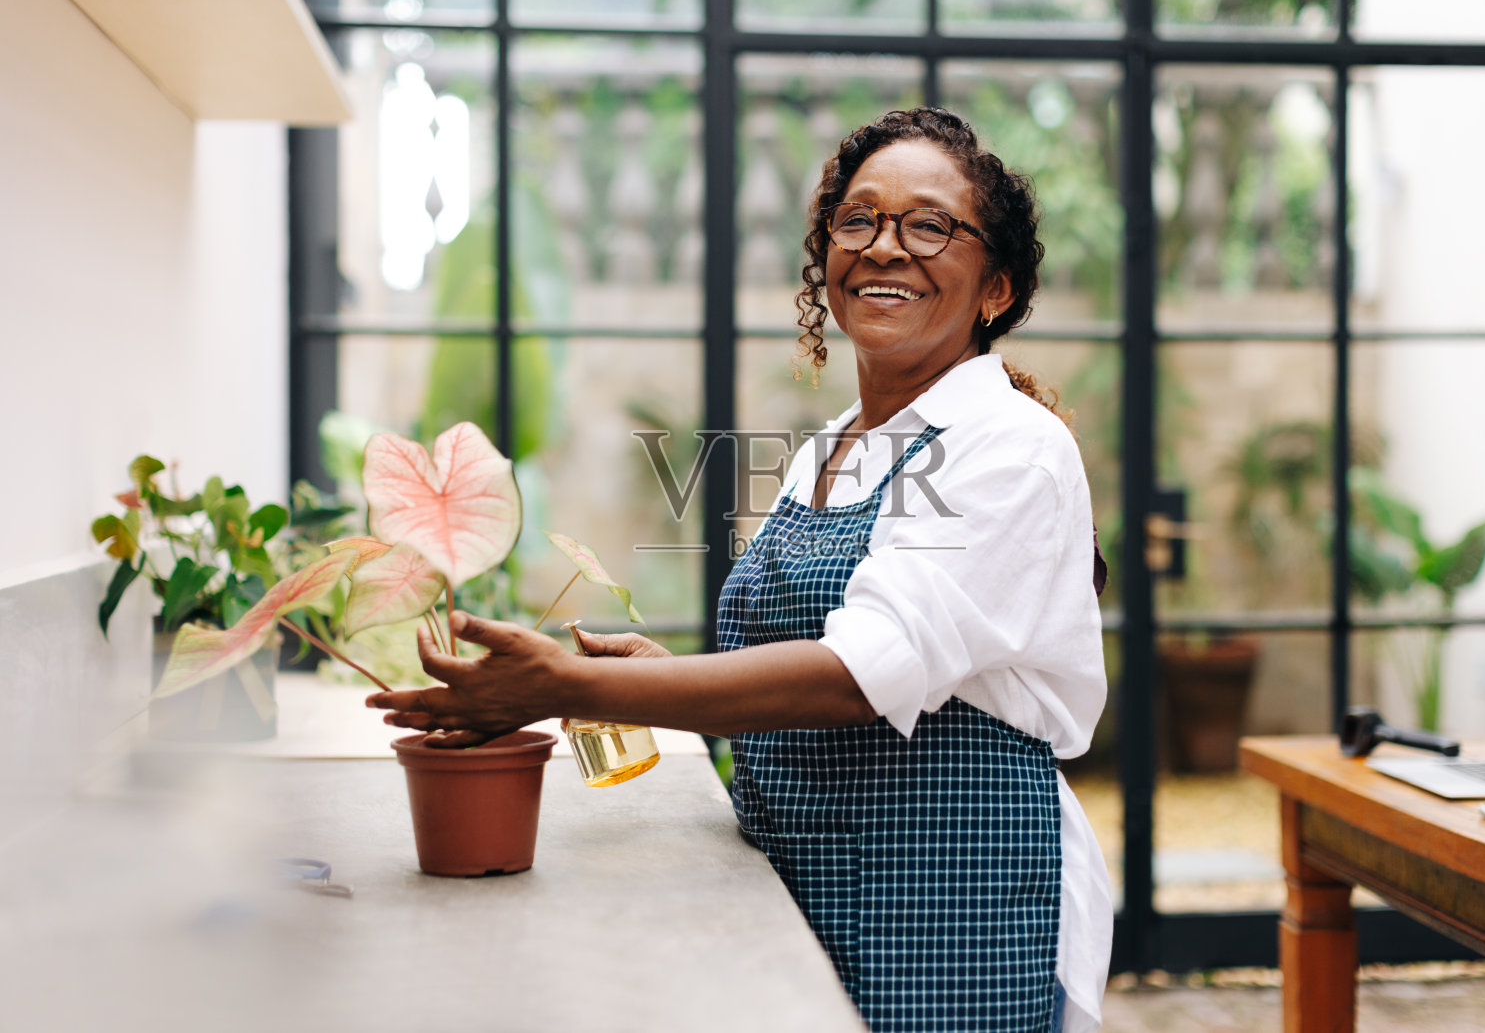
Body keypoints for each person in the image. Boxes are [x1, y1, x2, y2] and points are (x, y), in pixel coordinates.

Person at [369, 107, 1112, 1033]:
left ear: (995, 288)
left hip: (943, 905)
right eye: (858, 220)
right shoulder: (831, 447)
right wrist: (642, 671)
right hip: (802, 876)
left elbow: (855, 675)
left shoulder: (1008, 445)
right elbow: (808, 641)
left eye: (929, 226)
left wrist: (561, 682)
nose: (885, 246)